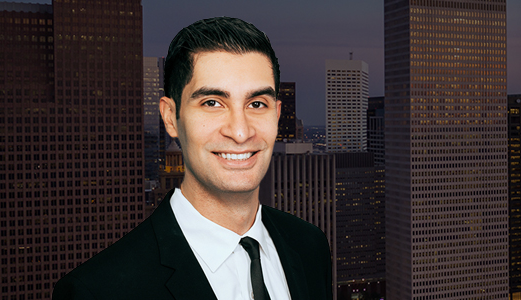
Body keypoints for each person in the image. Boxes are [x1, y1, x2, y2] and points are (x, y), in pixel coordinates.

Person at [53, 17, 331, 300]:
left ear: (277, 114)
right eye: (212, 103)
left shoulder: (309, 245)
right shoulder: (97, 291)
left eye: (257, 104)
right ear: (170, 118)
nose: (240, 131)